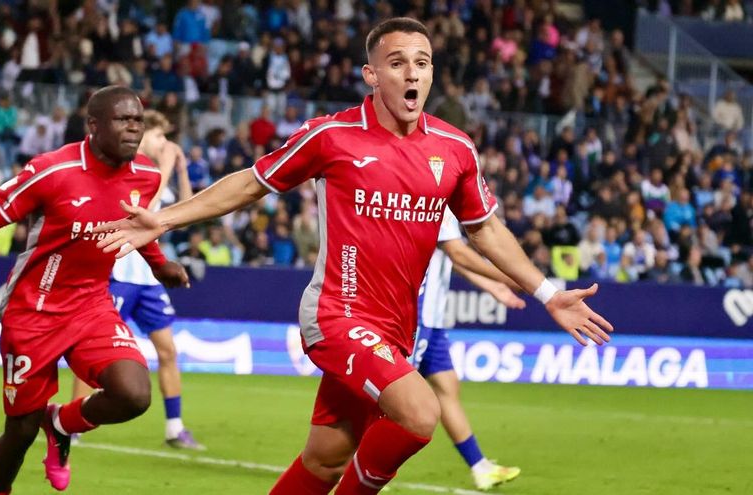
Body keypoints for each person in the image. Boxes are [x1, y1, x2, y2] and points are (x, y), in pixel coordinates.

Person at [94, 18, 613, 494]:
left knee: (325, 461)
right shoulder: (332, 136)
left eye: (422, 62)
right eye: (397, 62)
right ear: (371, 75)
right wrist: (165, 219)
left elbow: (486, 229)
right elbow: (252, 183)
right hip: (336, 313)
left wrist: (547, 294)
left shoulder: (455, 149)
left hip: (397, 328)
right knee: (419, 412)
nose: (412, 73)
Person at [0, 86, 190, 495]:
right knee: (20, 431)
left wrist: (159, 264)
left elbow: (134, 225)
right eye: (123, 119)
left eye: (138, 120)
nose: (134, 128)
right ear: (93, 125)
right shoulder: (52, 170)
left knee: (134, 394)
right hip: (33, 311)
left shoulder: (147, 174)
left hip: (92, 304)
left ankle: (61, 423)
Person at [70, 110, 202, 449]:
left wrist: (181, 169)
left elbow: (186, 212)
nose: (165, 143)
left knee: (168, 350)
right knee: (91, 351)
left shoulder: (158, 174)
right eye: (159, 136)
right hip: (119, 275)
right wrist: (168, 166)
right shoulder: (131, 171)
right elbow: (144, 214)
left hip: (148, 279)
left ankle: (174, 428)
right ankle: (72, 424)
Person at [412, 209, 525, 490]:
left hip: (433, 319)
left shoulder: (446, 205)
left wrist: (492, 286)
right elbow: (458, 253)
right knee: (392, 399)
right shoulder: (437, 199)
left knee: (448, 387)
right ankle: (348, 463)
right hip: (416, 315)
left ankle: (480, 467)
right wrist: (508, 276)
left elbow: (451, 256)